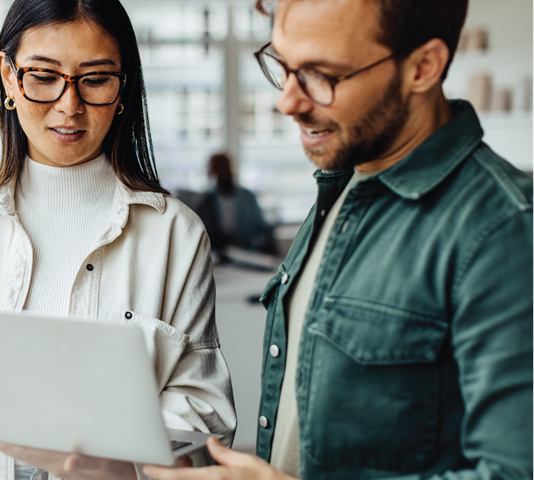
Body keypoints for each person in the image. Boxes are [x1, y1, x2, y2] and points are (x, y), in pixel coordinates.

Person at [144, 0, 534, 479]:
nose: (287, 101)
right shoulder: (343, 184)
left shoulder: (506, 230)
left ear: (423, 67)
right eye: (283, 65)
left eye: (321, 74)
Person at [0, 1, 236, 479]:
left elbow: (207, 415)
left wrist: (116, 461)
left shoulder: (175, 234)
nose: (68, 105)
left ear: (124, 87)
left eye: (95, 79)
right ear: (9, 77)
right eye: (43, 76)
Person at [204, 153, 275, 256]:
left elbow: (261, 227)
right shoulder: (208, 199)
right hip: (217, 255)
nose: (222, 174)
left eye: (224, 168)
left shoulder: (247, 197)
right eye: (218, 170)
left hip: (245, 253)